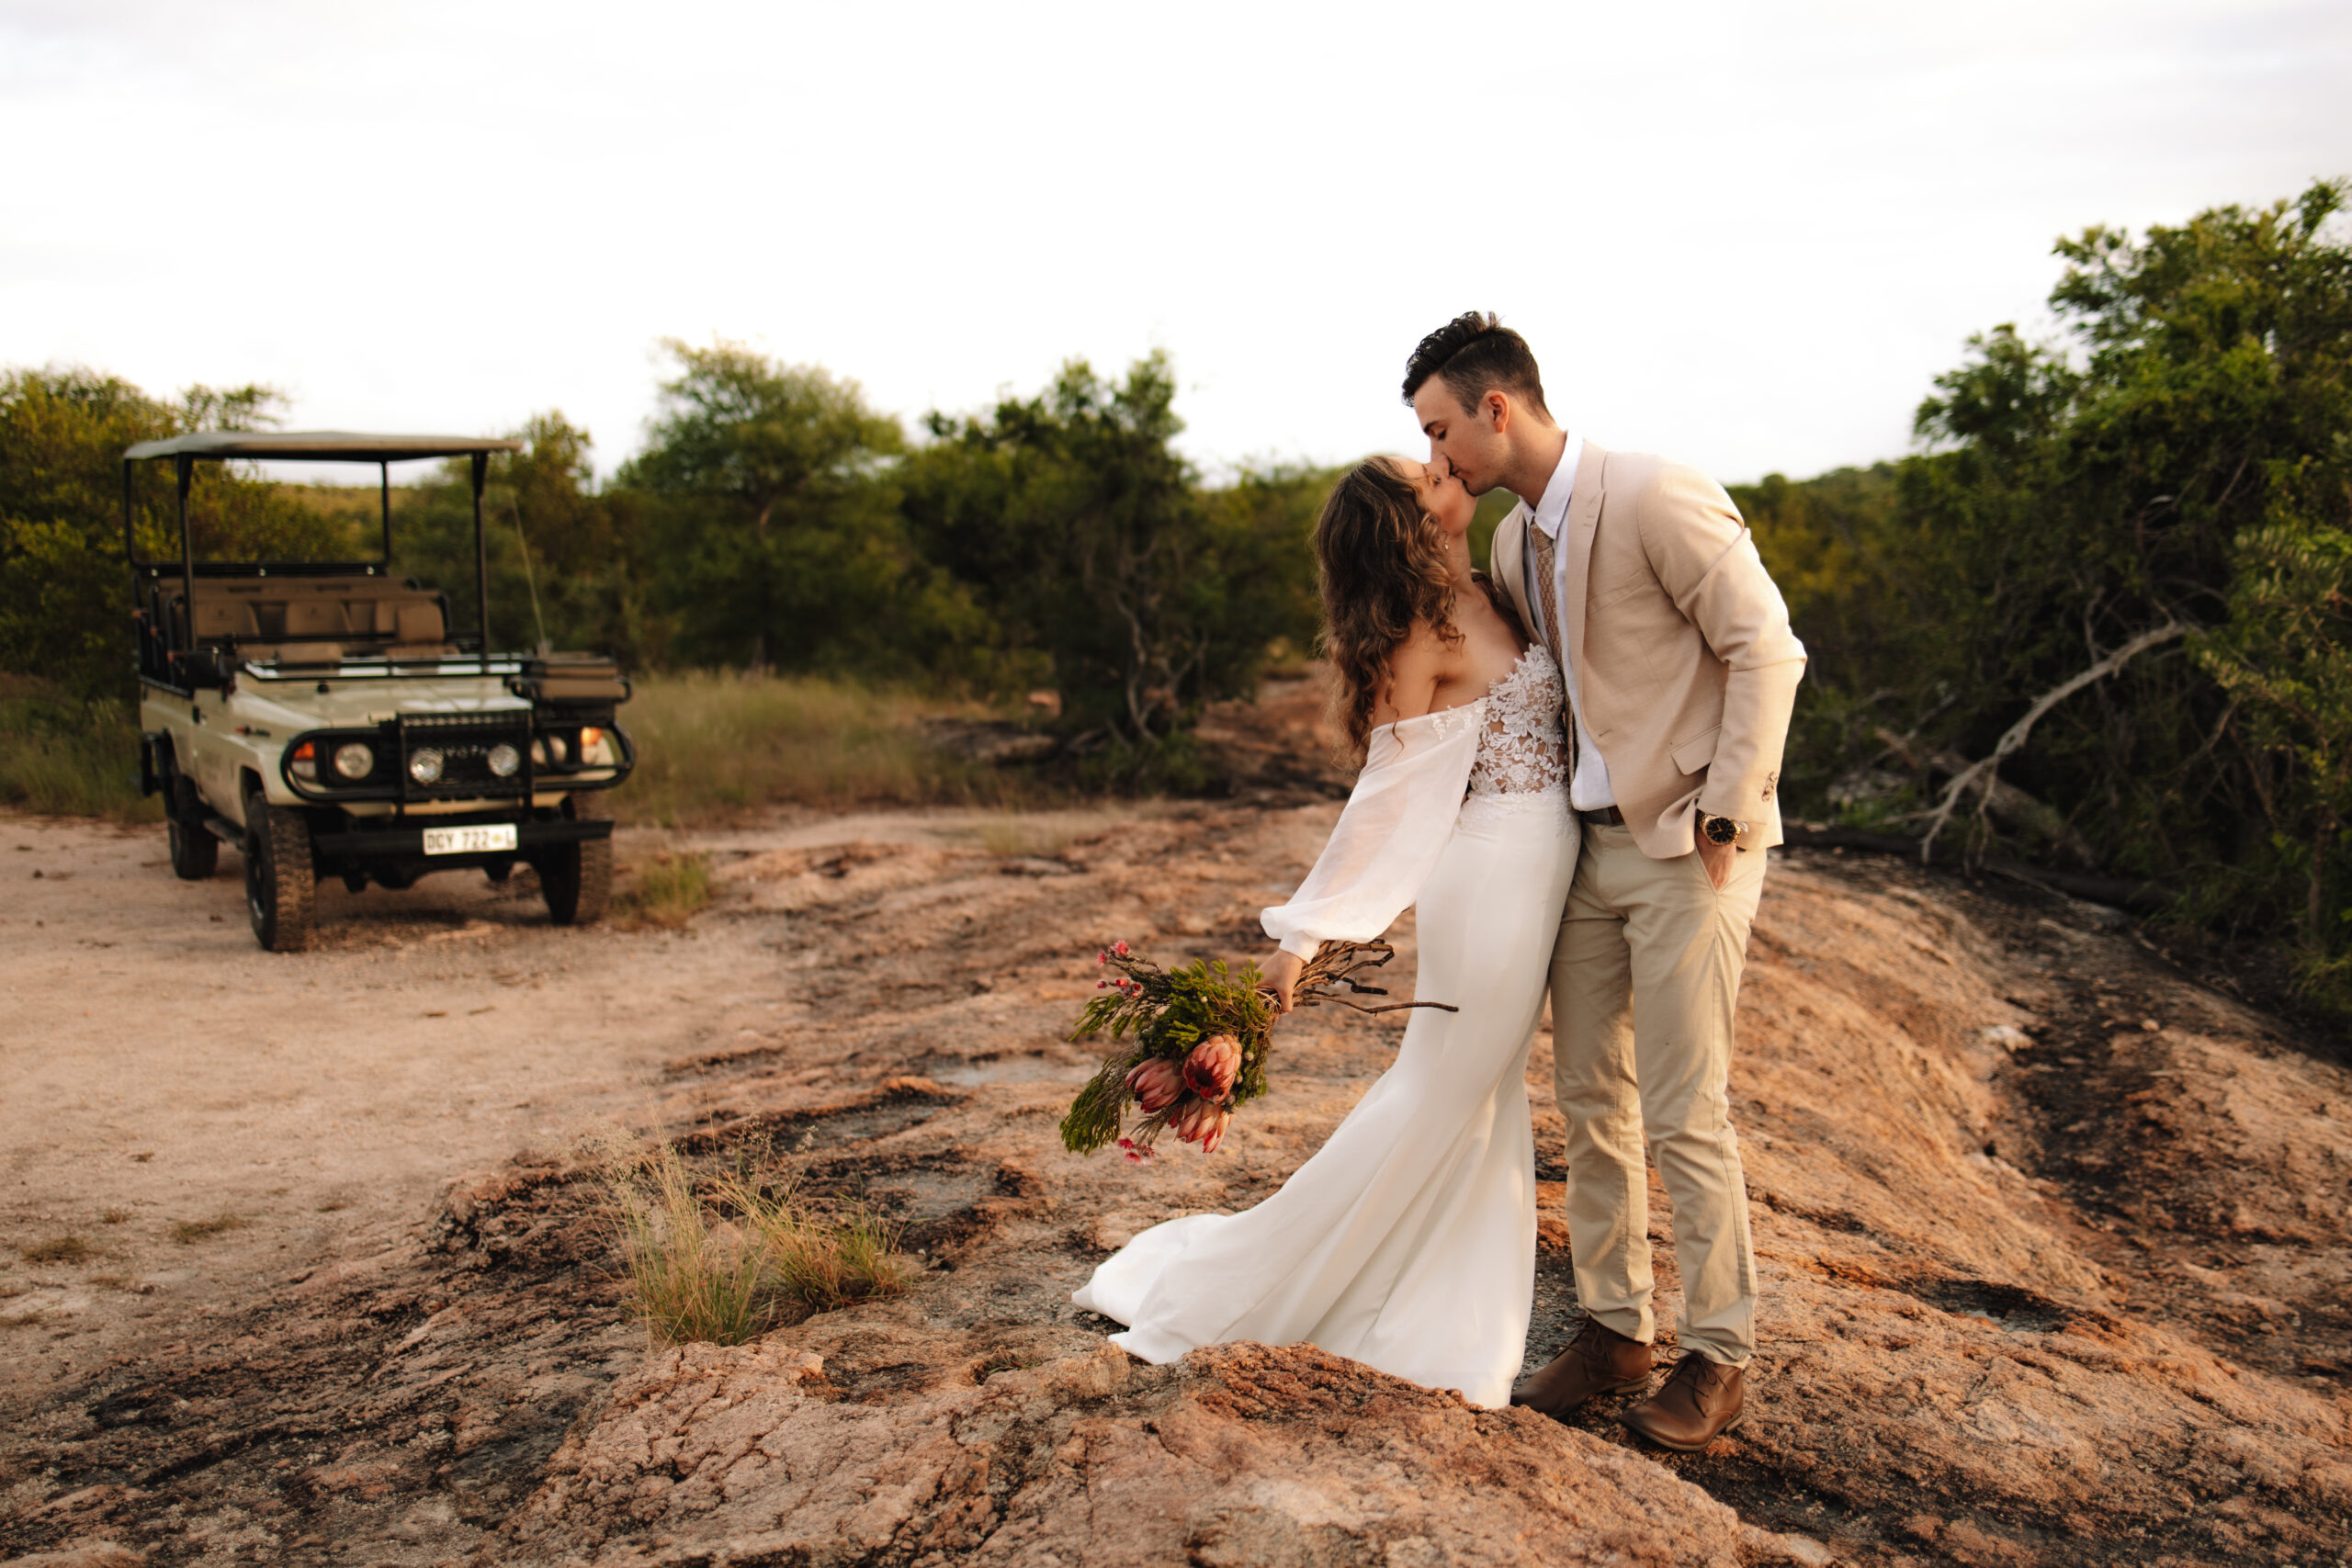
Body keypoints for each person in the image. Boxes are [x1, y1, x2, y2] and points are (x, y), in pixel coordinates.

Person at [1071, 453, 1579, 1409]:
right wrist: (1298, 942)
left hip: (1543, 864)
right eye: (1422, 469)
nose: (1444, 464)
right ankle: (1280, 1294)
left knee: (1478, 1094)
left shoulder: (1497, 586)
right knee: (1441, 1090)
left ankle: (1447, 1303)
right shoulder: (1418, 639)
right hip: (1493, 880)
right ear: (1410, 518)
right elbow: (1382, 804)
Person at [1406, 312, 1805, 1451]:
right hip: (1589, 850)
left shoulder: (1653, 494)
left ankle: (1719, 1355)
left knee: (1687, 1109)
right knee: (1588, 1094)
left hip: (1693, 844)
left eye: (1442, 433)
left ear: (1497, 406)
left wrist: (1729, 808)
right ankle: (1615, 1330)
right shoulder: (1509, 542)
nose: (1441, 460)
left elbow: (1765, 648)